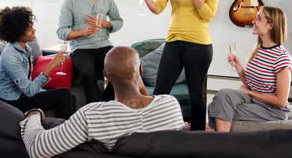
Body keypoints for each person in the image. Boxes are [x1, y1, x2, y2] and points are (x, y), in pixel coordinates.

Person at [20, 46, 185, 158]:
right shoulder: (170, 105)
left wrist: (35, 114)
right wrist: (139, 84)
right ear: (140, 70)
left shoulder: (93, 115)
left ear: (106, 75)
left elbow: (37, 148)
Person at [136, 0, 220, 130]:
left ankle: (197, 134)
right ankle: (157, 128)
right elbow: (158, 8)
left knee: (196, 94)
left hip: (199, 45)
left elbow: (208, 15)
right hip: (173, 42)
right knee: (160, 91)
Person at [208, 6, 292, 132]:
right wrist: (238, 67)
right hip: (254, 100)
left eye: (258, 18)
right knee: (222, 95)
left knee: (216, 106)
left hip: (271, 110)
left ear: (270, 25)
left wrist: (249, 92)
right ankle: (218, 134)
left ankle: (219, 139)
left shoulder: (282, 58)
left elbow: (281, 101)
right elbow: (251, 85)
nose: (253, 21)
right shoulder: (259, 50)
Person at [57, 0, 123, 103]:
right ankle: (96, 112)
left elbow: (119, 22)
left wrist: (106, 24)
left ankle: (105, 103)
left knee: (122, 67)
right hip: (81, 48)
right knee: (88, 72)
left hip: (104, 45)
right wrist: (82, 32)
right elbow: (61, 31)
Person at [0, 6, 74, 119]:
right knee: (64, 95)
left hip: (22, 93)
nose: (34, 30)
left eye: (32, 26)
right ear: (17, 32)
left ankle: (70, 128)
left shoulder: (25, 48)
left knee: (70, 96)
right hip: (11, 100)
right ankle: (62, 133)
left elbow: (29, 83)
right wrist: (51, 65)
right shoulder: (10, 57)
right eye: (29, 29)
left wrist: (44, 91)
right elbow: (29, 91)